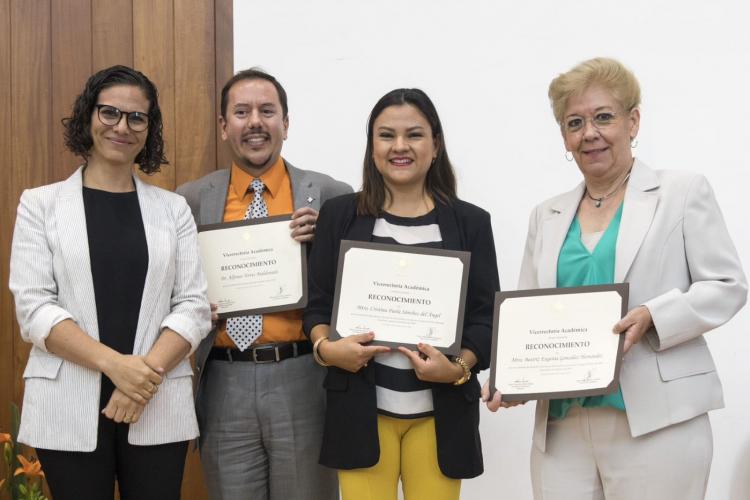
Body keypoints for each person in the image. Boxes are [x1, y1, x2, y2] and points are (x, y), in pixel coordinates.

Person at [483, 57, 747, 500]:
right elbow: (525, 314)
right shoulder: (545, 216)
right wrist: (510, 378)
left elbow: (726, 285)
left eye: (603, 117)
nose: (590, 133)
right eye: (575, 122)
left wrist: (653, 314)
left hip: (657, 421)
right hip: (562, 427)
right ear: (564, 137)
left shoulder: (681, 192)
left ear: (633, 121)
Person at [8, 65, 211, 500]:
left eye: (137, 117)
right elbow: (34, 308)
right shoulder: (40, 205)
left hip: (157, 403)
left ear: (149, 129)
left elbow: (193, 306)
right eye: (110, 113)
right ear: (88, 117)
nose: (122, 126)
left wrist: (141, 381)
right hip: (66, 403)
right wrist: (116, 367)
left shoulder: (173, 210)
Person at [304, 88, 500, 500]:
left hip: (439, 416)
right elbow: (317, 305)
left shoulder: (471, 223)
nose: (400, 147)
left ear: (435, 145)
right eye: (386, 135)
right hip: (360, 413)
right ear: (372, 146)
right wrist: (326, 349)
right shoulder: (340, 216)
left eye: (414, 135)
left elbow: (486, 318)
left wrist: (459, 367)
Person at [177, 67, 352, 500]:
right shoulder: (191, 200)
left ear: (285, 124)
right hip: (223, 380)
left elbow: (357, 292)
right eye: (241, 111)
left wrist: (323, 243)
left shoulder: (332, 196)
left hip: (303, 377)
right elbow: (172, 290)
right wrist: (197, 310)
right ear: (223, 127)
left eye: (267, 111)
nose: (255, 121)